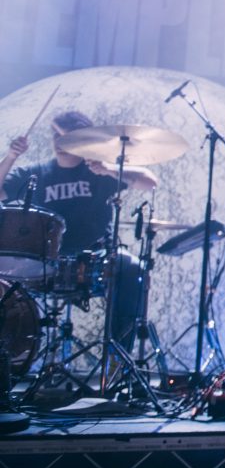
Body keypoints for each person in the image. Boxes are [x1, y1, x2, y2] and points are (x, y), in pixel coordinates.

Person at [2, 111, 158, 351]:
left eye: (68, 137)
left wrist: (110, 169)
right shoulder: (36, 173)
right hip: (43, 261)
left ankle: (117, 358)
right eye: (56, 136)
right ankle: (14, 359)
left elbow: (150, 182)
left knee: (133, 269)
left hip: (97, 258)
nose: (59, 142)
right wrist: (11, 156)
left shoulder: (99, 173)